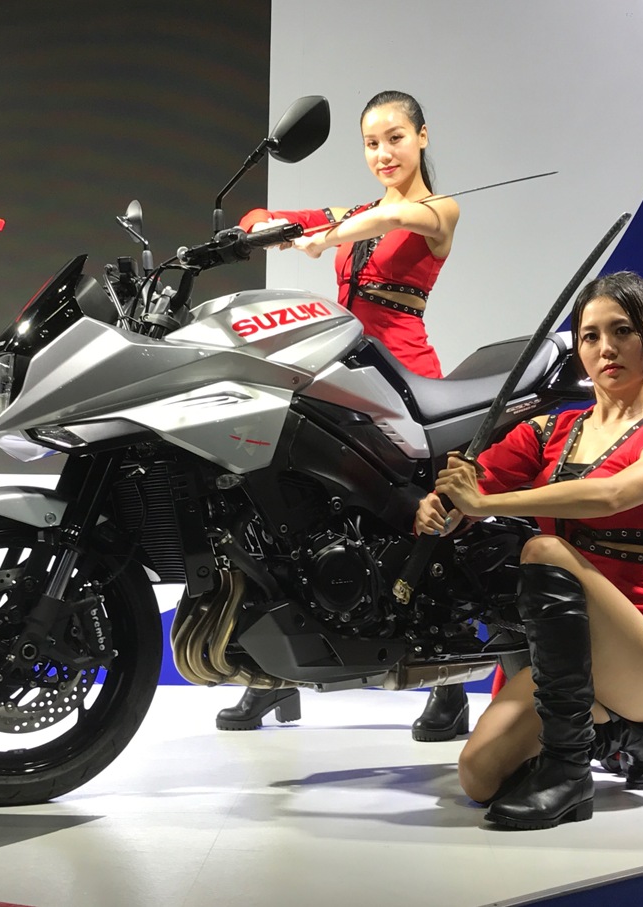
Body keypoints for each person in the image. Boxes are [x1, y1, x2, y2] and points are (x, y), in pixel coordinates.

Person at [216, 89, 468, 740]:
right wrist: (260, 223)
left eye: (395, 138)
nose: (383, 153)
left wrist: (325, 234)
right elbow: (281, 216)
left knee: (420, 523)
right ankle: (272, 675)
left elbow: (394, 216)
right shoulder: (357, 211)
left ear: (422, 137)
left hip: (403, 375)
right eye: (370, 143)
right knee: (283, 508)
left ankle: (450, 686)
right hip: (341, 370)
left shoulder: (439, 209)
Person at [414, 271, 643, 829]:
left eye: (622, 331)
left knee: (544, 549)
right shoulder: (548, 431)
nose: (606, 348)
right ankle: (614, 734)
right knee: (477, 777)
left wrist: (485, 502)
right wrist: (440, 506)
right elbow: (473, 481)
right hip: (572, 658)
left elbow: (610, 495)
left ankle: (569, 774)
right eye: (590, 336)